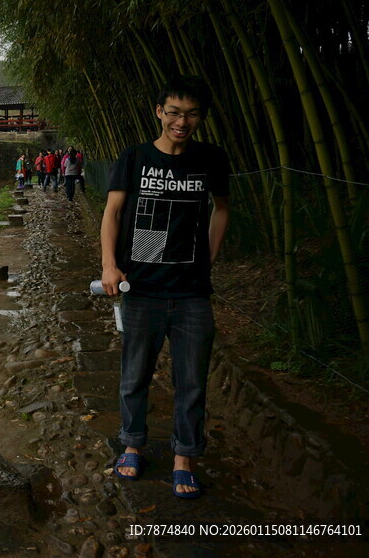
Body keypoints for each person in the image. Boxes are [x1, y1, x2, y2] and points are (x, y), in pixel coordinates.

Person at [99, 75, 231, 500]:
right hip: (142, 287)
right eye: (173, 112)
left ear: (200, 118)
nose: (181, 121)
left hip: (192, 292)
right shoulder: (135, 158)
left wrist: (207, 258)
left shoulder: (210, 158)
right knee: (134, 375)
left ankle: (184, 458)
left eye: (191, 114)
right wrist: (109, 266)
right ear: (159, 112)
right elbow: (113, 213)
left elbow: (222, 209)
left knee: (192, 379)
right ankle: (133, 445)